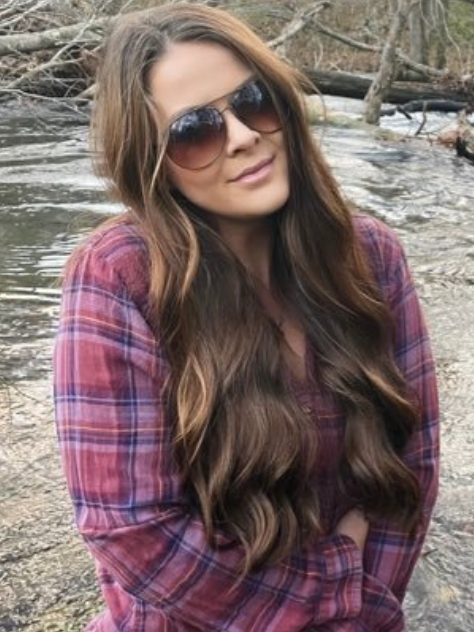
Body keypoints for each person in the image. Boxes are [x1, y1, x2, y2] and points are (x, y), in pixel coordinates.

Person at [53, 3, 439, 631]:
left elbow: (412, 466)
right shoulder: (118, 276)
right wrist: (336, 598)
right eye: (195, 131)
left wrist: (359, 612)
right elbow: (130, 530)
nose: (241, 137)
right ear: (152, 163)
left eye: (253, 101)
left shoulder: (372, 257)